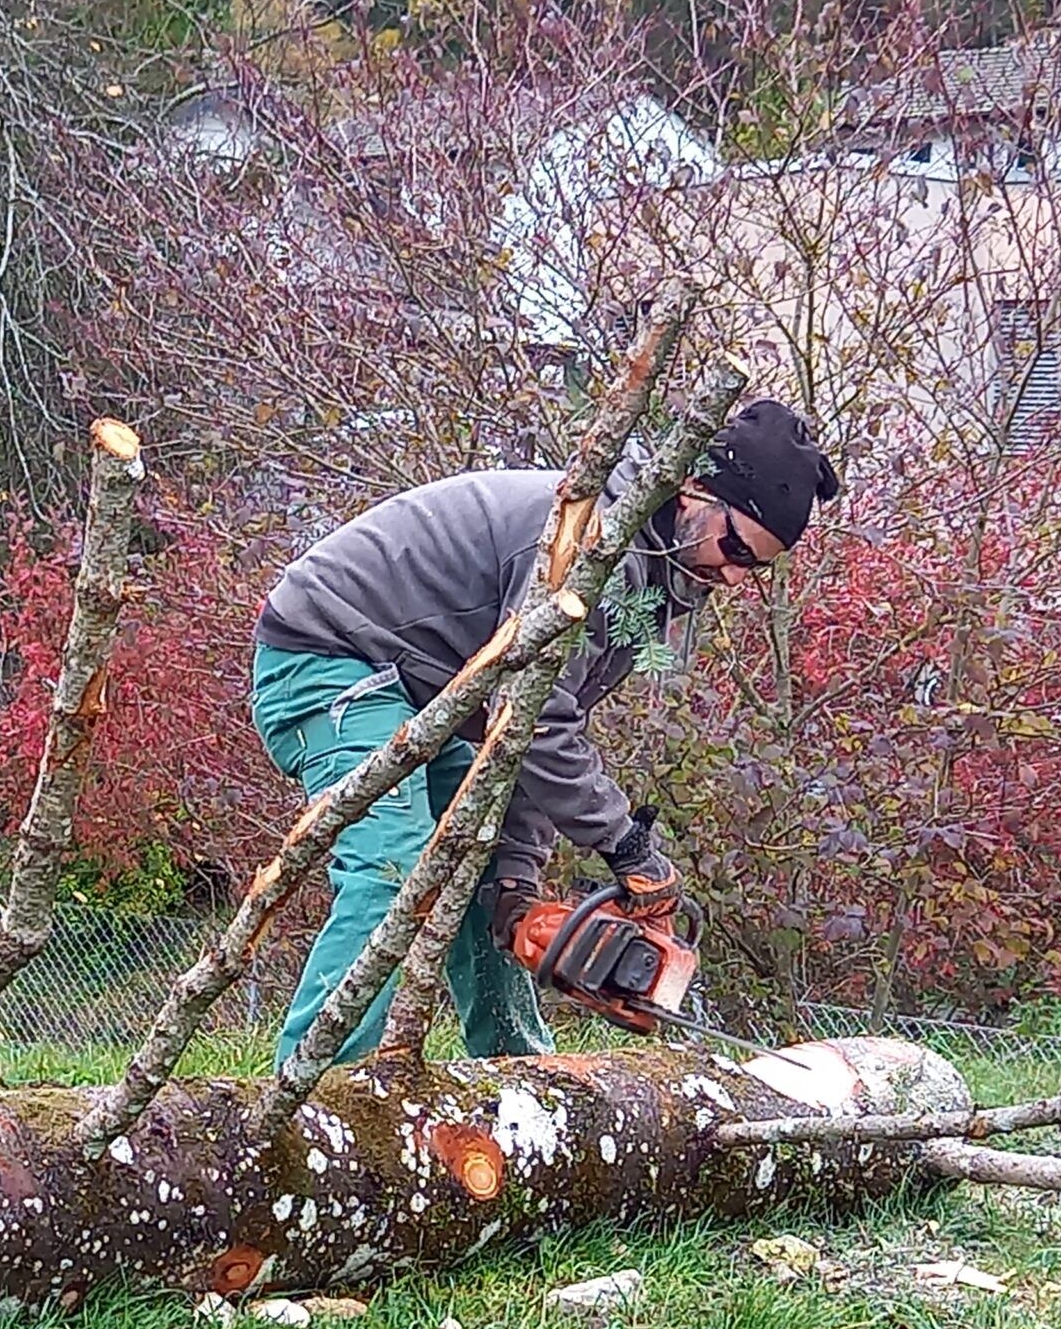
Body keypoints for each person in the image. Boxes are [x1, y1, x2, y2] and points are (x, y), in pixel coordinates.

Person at [249, 397, 841, 1070]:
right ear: (690, 493)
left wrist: (513, 885)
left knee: (478, 869)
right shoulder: (595, 547)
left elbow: (530, 723)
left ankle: (522, 1080)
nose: (733, 575)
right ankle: (312, 1089)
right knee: (396, 863)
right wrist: (626, 847)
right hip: (328, 658)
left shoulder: (650, 577)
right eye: (734, 548)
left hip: (427, 694)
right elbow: (531, 722)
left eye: (753, 568)